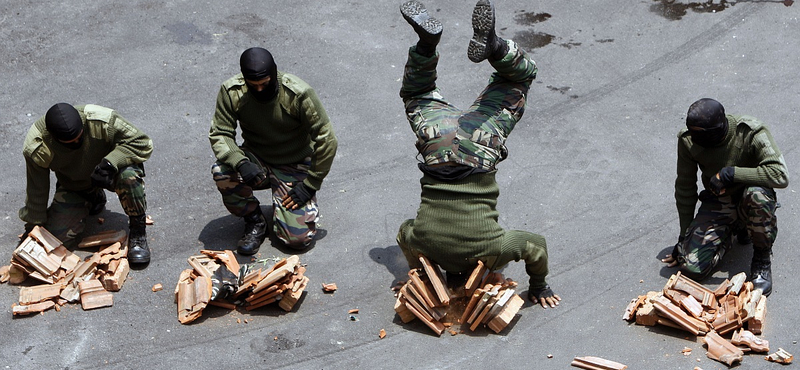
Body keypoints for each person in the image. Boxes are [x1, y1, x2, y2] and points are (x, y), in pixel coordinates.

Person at [396, 0, 561, 308]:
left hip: (480, 147)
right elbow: (403, 232)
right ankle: (426, 45)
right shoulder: (421, 242)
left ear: (477, 272)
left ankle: (496, 47)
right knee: (417, 95)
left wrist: (539, 285)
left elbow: (535, 246)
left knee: (519, 78)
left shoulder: (494, 248)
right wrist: (418, 270)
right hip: (438, 144)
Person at [209, 47, 338, 255]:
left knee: (297, 240)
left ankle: (285, 207)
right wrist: (241, 162)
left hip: (294, 162)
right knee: (222, 171)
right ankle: (254, 220)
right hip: (256, 159)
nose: (260, 90)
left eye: (265, 84)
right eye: (254, 85)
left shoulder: (297, 94)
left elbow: (327, 139)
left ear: (274, 74)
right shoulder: (232, 91)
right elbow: (220, 133)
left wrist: (311, 184)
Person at [662, 98, 788, 296]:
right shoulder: (687, 140)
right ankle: (732, 230)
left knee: (757, 196)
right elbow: (685, 188)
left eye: (701, 135)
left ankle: (762, 258)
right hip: (719, 200)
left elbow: (779, 175)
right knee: (691, 267)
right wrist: (683, 236)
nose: (695, 139)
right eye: (692, 132)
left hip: (752, 194)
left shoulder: (751, 132)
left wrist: (732, 173)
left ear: (719, 129)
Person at [20, 103, 153, 264]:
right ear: (54, 138)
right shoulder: (38, 145)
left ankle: (138, 230)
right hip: (75, 185)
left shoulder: (101, 121)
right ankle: (92, 197)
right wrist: (34, 228)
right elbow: (37, 188)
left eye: (79, 137)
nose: (77, 142)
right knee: (55, 241)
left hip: (111, 172)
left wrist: (110, 163)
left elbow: (142, 142)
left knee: (129, 177)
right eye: (70, 142)